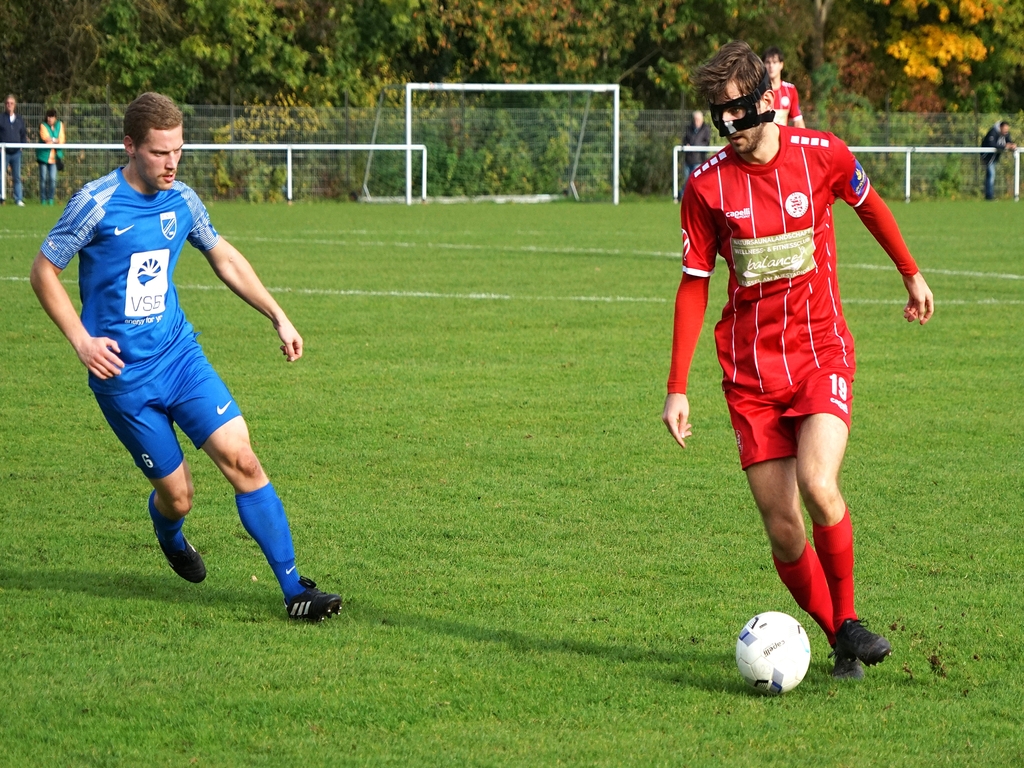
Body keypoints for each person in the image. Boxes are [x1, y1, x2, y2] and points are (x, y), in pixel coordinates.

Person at [662, 41, 934, 680]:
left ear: (767, 100)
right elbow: (694, 283)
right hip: (750, 375)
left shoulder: (823, 155)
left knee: (818, 485)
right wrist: (677, 385)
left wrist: (911, 272)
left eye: (736, 111)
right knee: (784, 528)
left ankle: (848, 619)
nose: (727, 125)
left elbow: (870, 206)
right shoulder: (705, 187)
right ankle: (842, 637)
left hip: (820, 354)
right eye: (717, 113)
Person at [30, 92, 341, 622]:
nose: (171, 162)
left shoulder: (183, 200)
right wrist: (82, 341)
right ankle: (171, 535)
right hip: (124, 378)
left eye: (178, 150)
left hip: (179, 358)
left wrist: (278, 315)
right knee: (178, 497)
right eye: (159, 152)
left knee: (244, 459)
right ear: (130, 146)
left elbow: (224, 257)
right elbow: (43, 271)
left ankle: (295, 591)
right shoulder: (95, 203)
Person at [763, 47, 805, 128]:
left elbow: (798, 121)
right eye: (768, 62)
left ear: (781, 65)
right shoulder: (757, 90)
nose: (771, 66)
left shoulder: (790, 90)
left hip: (782, 135)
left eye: (774, 62)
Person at [1, 94, 27, 206]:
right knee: (1, 175)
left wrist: (22, 146)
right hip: (3, 153)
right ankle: (1, 198)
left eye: (11, 103)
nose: (9, 105)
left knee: (17, 176)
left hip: (16, 152)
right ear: (5, 105)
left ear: (14, 105)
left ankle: (18, 199)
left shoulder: (19, 119)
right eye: (7, 103)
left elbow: (23, 134)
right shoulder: (1, 118)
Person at [36, 108, 66, 206]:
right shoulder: (43, 125)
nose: (50, 119)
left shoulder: (59, 125)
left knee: (53, 179)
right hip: (43, 157)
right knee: (43, 179)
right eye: (48, 116)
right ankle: (43, 199)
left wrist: (53, 140)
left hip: (54, 158)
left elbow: (62, 140)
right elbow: (46, 139)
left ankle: (51, 199)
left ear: (55, 118)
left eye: (52, 117)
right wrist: (55, 140)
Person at [980, 121, 1016, 200]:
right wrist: (1005, 146)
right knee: (991, 174)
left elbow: (1008, 141)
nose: (1006, 131)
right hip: (987, 156)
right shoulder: (993, 132)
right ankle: (989, 196)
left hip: (995, 157)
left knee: (990, 175)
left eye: (1007, 130)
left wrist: (1012, 145)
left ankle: (988, 195)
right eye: (1005, 129)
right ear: (1000, 127)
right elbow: (992, 144)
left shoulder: (1006, 134)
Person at [681, 110, 712, 198]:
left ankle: (694, 197)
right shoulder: (689, 128)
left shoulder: (706, 129)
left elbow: (706, 142)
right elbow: (684, 139)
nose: (696, 121)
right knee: (687, 180)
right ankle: (684, 196)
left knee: (696, 180)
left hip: (699, 159)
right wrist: (686, 144)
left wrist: (695, 146)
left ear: (702, 120)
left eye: (698, 119)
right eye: (695, 119)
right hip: (688, 159)